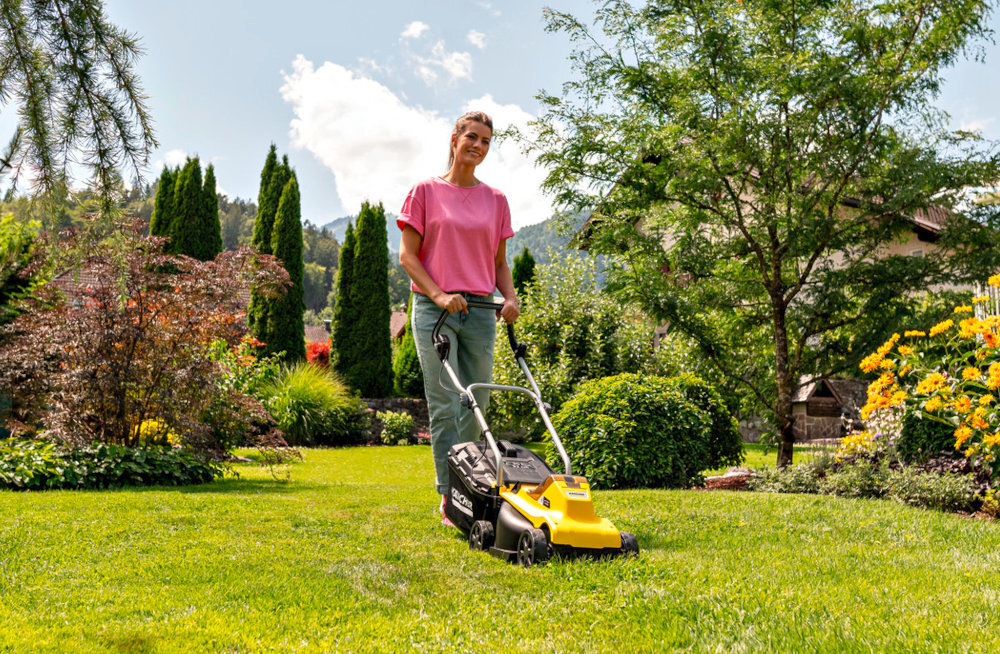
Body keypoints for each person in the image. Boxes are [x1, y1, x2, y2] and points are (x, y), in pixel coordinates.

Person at [397, 111, 519, 527]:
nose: (478, 146)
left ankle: (472, 489)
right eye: (472, 137)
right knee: (446, 403)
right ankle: (449, 498)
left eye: (486, 141)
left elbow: (500, 262)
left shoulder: (496, 199)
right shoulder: (426, 191)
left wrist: (511, 296)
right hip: (435, 309)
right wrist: (438, 294)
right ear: (454, 138)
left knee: (477, 401)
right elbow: (408, 257)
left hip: (482, 311)